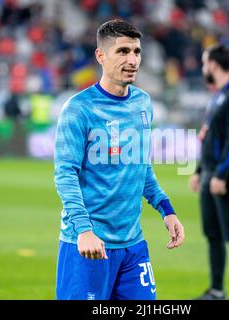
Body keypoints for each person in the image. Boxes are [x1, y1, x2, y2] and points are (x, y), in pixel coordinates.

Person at [54, 19, 185, 300]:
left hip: (133, 247)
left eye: (136, 52)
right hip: (89, 245)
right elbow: (65, 175)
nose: (132, 60)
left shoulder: (143, 103)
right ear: (101, 56)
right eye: (123, 51)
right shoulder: (78, 109)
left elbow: (141, 166)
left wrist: (166, 209)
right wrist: (84, 230)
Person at [190, 45, 229, 300]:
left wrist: (220, 175)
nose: (203, 68)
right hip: (209, 176)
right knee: (213, 234)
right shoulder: (218, 96)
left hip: (228, 179)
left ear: (214, 64)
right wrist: (198, 171)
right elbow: (208, 136)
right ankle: (216, 290)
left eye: (205, 63)